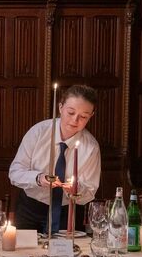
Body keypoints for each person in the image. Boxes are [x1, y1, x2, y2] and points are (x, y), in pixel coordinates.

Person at [9, 84, 101, 234]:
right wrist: (38, 178)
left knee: (65, 249)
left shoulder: (91, 147)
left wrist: (76, 189)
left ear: (91, 115)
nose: (75, 120)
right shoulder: (39, 132)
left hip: (68, 211)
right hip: (30, 208)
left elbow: (90, 192)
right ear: (60, 107)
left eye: (83, 116)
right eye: (71, 112)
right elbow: (14, 173)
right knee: (25, 248)